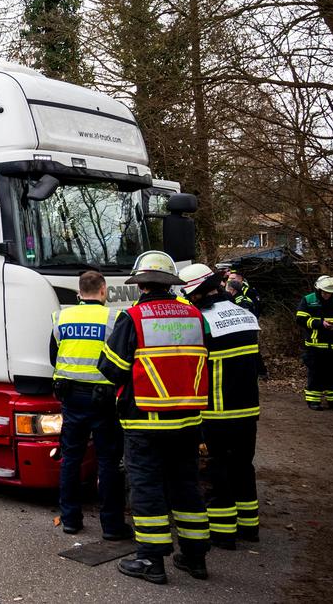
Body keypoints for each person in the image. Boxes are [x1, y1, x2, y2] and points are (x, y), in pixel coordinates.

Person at [98, 250, 210, 585]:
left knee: (147, 488)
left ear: (142, 284)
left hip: (145, 420)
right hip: (188, 419)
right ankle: (194, 557)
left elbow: (111, 368)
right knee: (186, 486)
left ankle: (150, 560)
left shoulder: (133, 318)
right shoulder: (194, 316)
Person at [180, 263, 263, 549]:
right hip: (248, 409)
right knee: (243, 465)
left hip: (217, 411)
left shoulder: (202, 321)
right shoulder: (244, 314)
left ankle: (223, 533)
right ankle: (249, 526)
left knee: (217, 470)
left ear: (199, 293)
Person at [48, 270, 129, 541]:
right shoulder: (114, 318)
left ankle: (70, 519)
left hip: (70, 397)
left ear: (79, 292)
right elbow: (121, 360)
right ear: (103, 291)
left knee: (71, 458)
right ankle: (112, 525)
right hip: (104, 399)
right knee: (107, 462)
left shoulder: (62, 317)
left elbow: (54, 355)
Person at [295, 276, 333, 410]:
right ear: (318, 289)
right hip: (316, 345)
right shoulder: (308, 300)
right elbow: (301, 319)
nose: (327, 295)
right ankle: (314, 401)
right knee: (316, 373)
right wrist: (320, 324)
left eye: (330, 293)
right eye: (325, 292)